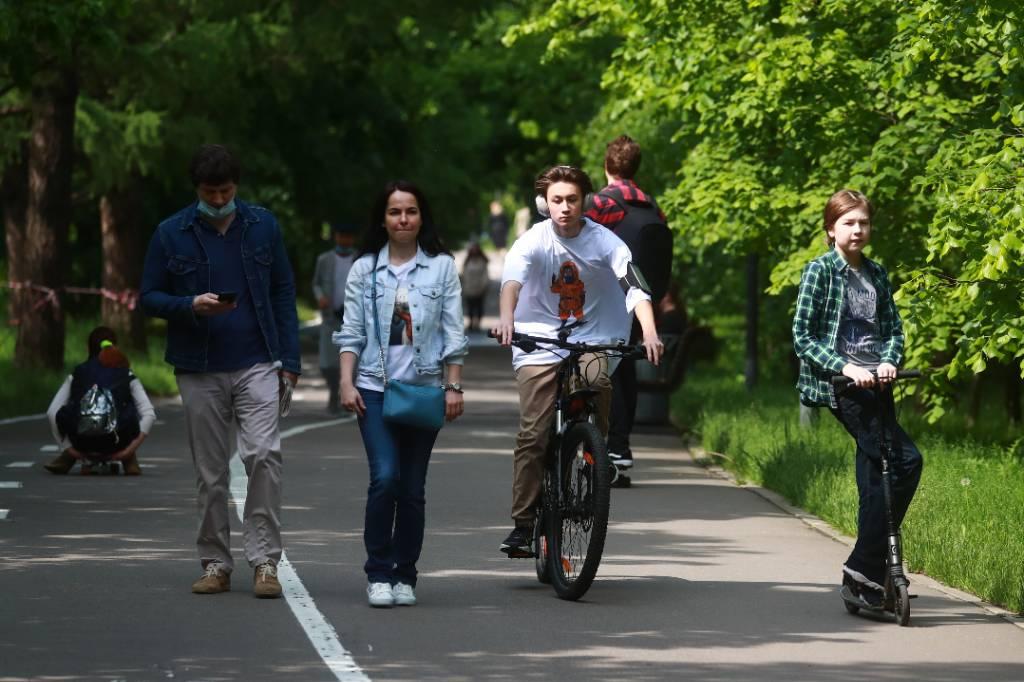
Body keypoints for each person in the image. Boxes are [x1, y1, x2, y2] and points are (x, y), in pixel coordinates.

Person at [140, 144, 300, 599]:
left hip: (257, 361)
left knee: (264, 456)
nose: (217, 199)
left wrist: (290, 361)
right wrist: (189, 305)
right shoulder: (171, 233)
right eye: (209, 192)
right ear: (197, 190)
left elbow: (284, 291)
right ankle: (215, 561)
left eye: (225, 191)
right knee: (210, 471)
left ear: (237, 187)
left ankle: (265, 561)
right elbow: (148, 296)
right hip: (198, 366)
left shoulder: (263, 226)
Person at [492, 165, 663, 557]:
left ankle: (592, 457)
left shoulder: (606, 242)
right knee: (534, 433)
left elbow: (634, 287)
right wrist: (506, 319)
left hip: (595, 337)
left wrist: (649, 332)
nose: (565, 208)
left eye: (572, 199)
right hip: (539, 338)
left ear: (584, 200)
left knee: (596, 381)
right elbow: (512, 283)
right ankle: (523, 524)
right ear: (544, 204)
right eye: (557, 201)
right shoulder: (532, 241)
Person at [335, 180, 468, 608]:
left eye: (410, 211)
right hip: (374, 389)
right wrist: (345, 380)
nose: (403, 219)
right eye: (395, 212)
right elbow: (351, 331)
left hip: (424, 390)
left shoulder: (442, 268)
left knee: (412, 487)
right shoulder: (364, 270)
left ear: (421, 217)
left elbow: (453, 331)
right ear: (384, 219)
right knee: (385, 477)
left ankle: (405, 575)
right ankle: (378, 572)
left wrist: (453, 385)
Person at [792, 189, 923, 609]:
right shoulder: (821, 272)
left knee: (875, 478)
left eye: (863, 222)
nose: (857, 230)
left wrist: (888, 361)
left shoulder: (877, 274)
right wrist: (844, 367)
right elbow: (802, 336)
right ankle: (863, 566)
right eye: (848, 223)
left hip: (880, 385)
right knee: (905, 461)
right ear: (831, 230)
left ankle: (870, 578)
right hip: (843, 386)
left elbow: (894, 330)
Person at [585, 135, 674, 472]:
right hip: (645, 298)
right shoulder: (653, 206)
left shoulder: (600, 203)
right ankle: (620, 447)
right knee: (626, 370)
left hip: (607, 300)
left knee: (604, 370)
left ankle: (603, 443)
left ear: (607, 165)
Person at [44, 327, 155, 476]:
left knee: (72, 411)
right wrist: (129, 449)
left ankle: (68, 457)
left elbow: (52, 412)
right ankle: (129, 459)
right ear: (114, 347)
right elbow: (149, 414)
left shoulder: (78, 373)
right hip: (117, 443)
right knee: (128, 410)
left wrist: (69, 448)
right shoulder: (126, 374)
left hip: (81, 442)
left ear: (88, 348)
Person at [313, 223, 359, 413]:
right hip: (331, 317)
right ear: (336, 237)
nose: (345, 240)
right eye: (342, 236)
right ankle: (334, 389)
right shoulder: (325, 259)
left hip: (354, 318)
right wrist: (320, 296)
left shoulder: (361, 260)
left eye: (348, 236)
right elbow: (316, 283)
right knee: (327, 363)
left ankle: (343, 395)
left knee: (352, 361)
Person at [461, 242, 490, 332]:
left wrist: (484, 286)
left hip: (480, 288)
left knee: (479, 306)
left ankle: (477, 323)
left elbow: (485, 275)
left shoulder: (482, 262)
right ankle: (471, 322)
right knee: (470, 306)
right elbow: (464, 274)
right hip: (469, 288)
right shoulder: (467, 261)